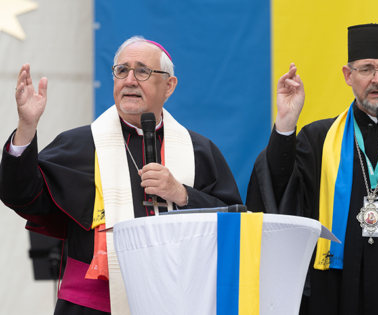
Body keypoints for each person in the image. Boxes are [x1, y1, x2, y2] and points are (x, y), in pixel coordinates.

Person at [0, 36, 242, 315]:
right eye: (121, 70)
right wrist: (26, 128)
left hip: (178, 300)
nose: (129, 80)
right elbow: (21, 195)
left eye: (142, 71)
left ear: (169, 86)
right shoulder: (79, 145)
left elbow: (233, 222)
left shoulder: (199, 150)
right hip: (93, 306)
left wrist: (182, 194)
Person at [247, 24, 378, 314]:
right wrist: (286, 123)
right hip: (333, 285)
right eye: (366, 69)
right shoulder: (318, 138)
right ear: (348, 76)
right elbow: (276, 191)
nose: (377, 79)